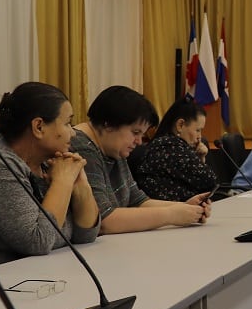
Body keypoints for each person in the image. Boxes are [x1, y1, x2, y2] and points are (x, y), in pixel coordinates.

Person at [0, 82, 99, 273]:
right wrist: (63, 181)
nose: (73, 133)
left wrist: (81, 184)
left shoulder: (49, 162)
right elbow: (38, 241)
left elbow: (86, 234)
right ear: (39, 127)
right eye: (67, 123)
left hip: (41, 272)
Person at [71, 86, 210, 234]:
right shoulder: (82, 148)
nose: (139, 142)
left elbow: (138, 201)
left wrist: (183, 207)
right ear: (109, 124)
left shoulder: (113, 147)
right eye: (135, 132)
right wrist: (171, 215)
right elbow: (103, 220)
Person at [132, 99, 218, 202]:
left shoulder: (162, 143)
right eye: (197, 130)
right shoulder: (171, 148)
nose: (199, 136)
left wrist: (200, 158)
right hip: (165, 210)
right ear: (180, 125)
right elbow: (210, 181)